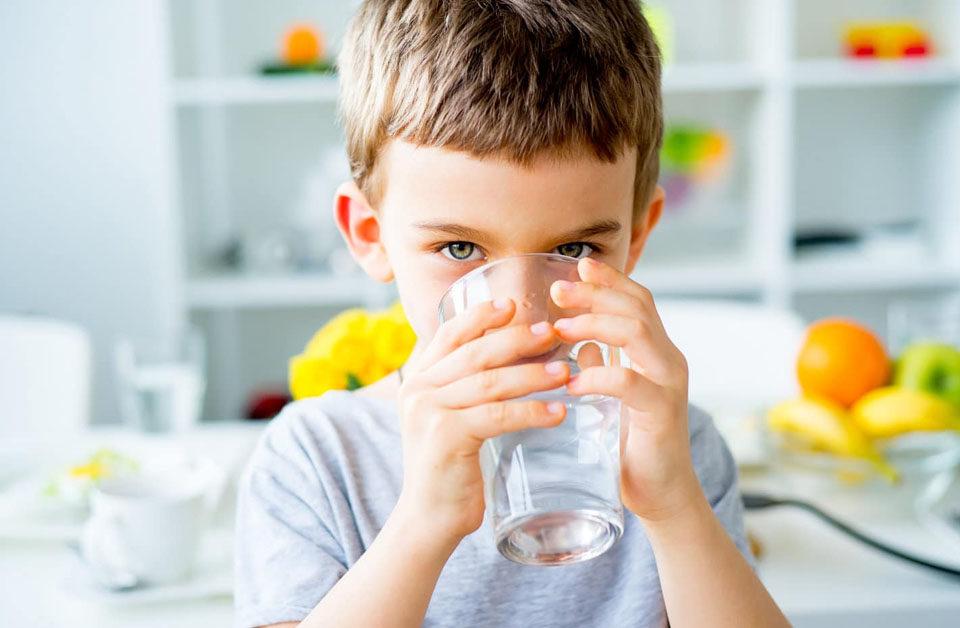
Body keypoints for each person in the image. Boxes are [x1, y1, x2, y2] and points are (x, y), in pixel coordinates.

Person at [233, 1, 789, 626]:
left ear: (636, 235)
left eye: (573, 249)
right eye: (460, 250)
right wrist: (423, 524)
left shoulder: (676, 445)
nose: (524, 316)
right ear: (369, 233)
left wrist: (676, 507)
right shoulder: (317, 460)